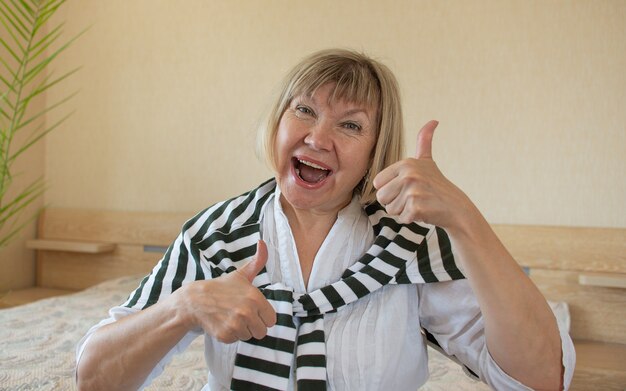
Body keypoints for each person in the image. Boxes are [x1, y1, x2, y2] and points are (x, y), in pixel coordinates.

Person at [76, 49, 575, 391]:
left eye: (350, 124)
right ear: (278, 123)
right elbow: (93, 377)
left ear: (374, 152)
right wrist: (183, 307)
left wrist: (464, 219)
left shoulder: (409, 242)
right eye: (304, 110)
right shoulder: (215, 235)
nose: (317, 137)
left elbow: (538, 378)